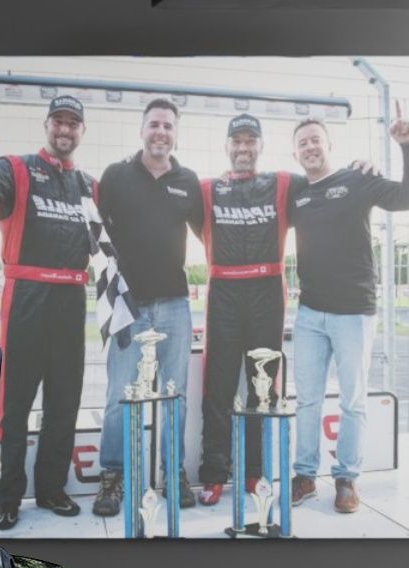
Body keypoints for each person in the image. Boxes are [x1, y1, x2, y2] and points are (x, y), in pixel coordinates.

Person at [0, 96, 95, 530]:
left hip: (73, 301)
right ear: (46, 125)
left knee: (63, 402)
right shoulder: (15, 168)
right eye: (59, 121)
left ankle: (52, 489)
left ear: (81, 131)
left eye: (74, 123)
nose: (65, 129)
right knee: (15, 405)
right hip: (27, 297)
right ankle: (9, 496)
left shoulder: (91, 185)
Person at [287, 108, 409, 513]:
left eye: (315, 139)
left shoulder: (357, 178)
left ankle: (346, 480)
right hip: (309, 314)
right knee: (306, 400)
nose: (309, 146)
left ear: (329, 144)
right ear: (295, 152)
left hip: (354, 312)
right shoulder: (296, 193)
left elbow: (405, 197)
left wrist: (405, 145)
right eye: (302, 142)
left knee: (352, 401)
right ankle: (304, 476)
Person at [91, 98, 202, 518]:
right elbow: (93, 236)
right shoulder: (117, 176)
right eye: (154, 124)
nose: (161, 132)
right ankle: (113, 474)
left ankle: (173, 473)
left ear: (175, 133)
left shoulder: (188, 181)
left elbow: (212, 235)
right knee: (120, 396)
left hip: (175, 303)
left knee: (173, 395)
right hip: (127, 304)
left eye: (168, 126)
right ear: (142, 129)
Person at [193, 115, 294, 506]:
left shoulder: (282, 183)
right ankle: (215, 473)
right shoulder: (206, 189)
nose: (243, 148)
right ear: (227, 146)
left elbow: (324, 190)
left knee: (261, 389)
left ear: (261, 146)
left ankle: (255, 472)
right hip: (224, 292)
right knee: (217, 387)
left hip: (268, 292)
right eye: (237, 141)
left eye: (251, 141)